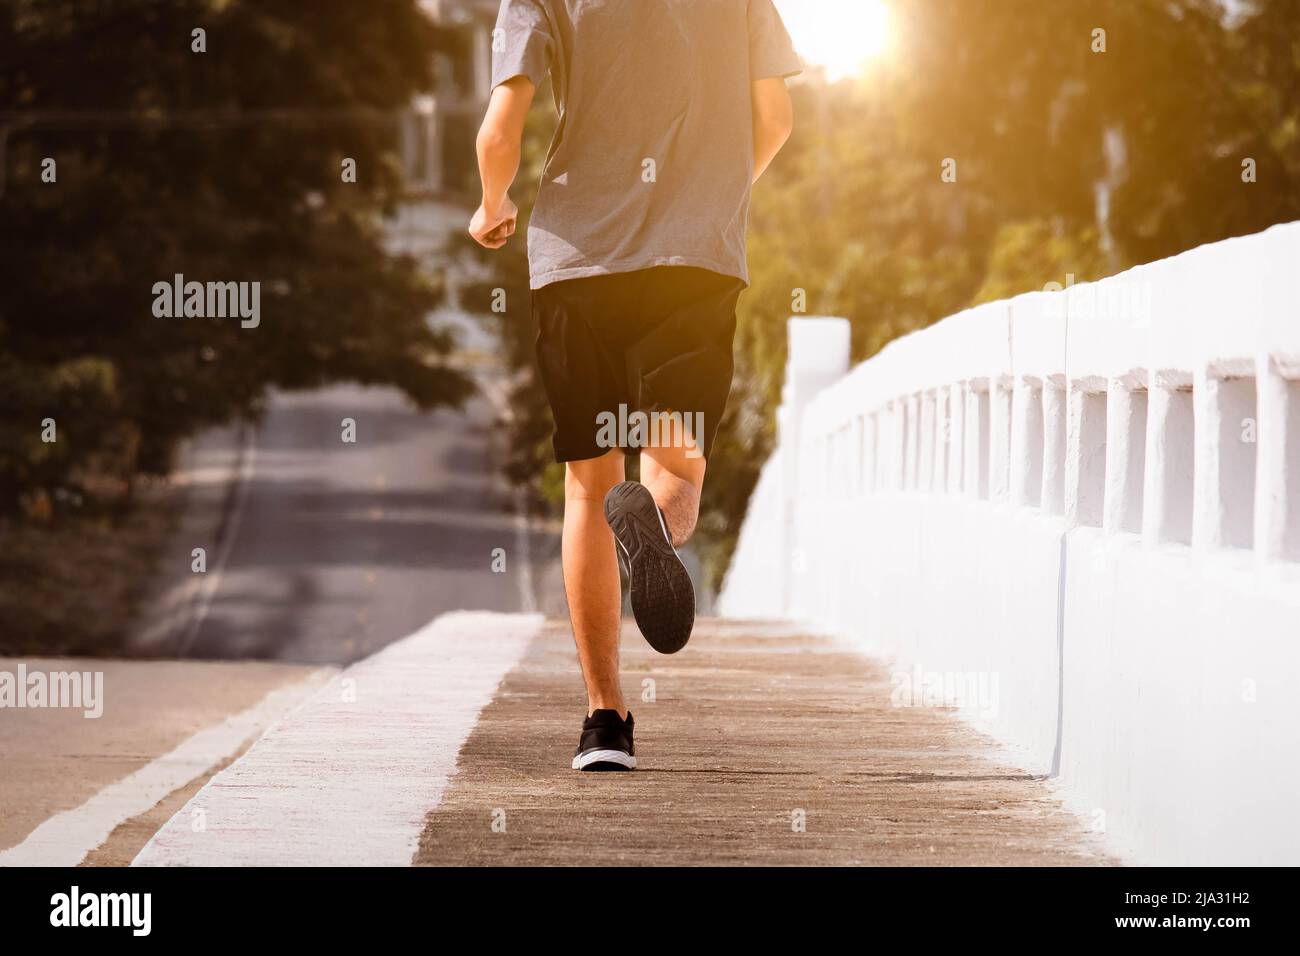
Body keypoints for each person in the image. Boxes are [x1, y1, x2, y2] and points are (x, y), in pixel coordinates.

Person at [470, 0, 800, 771]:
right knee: (675, 467)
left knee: (587, 489)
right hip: (694, 262)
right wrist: (715, 193)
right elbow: (776, 115)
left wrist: (493, 203)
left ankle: (605, 722)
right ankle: (651, 516)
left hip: (576, 264)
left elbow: (499, 129)